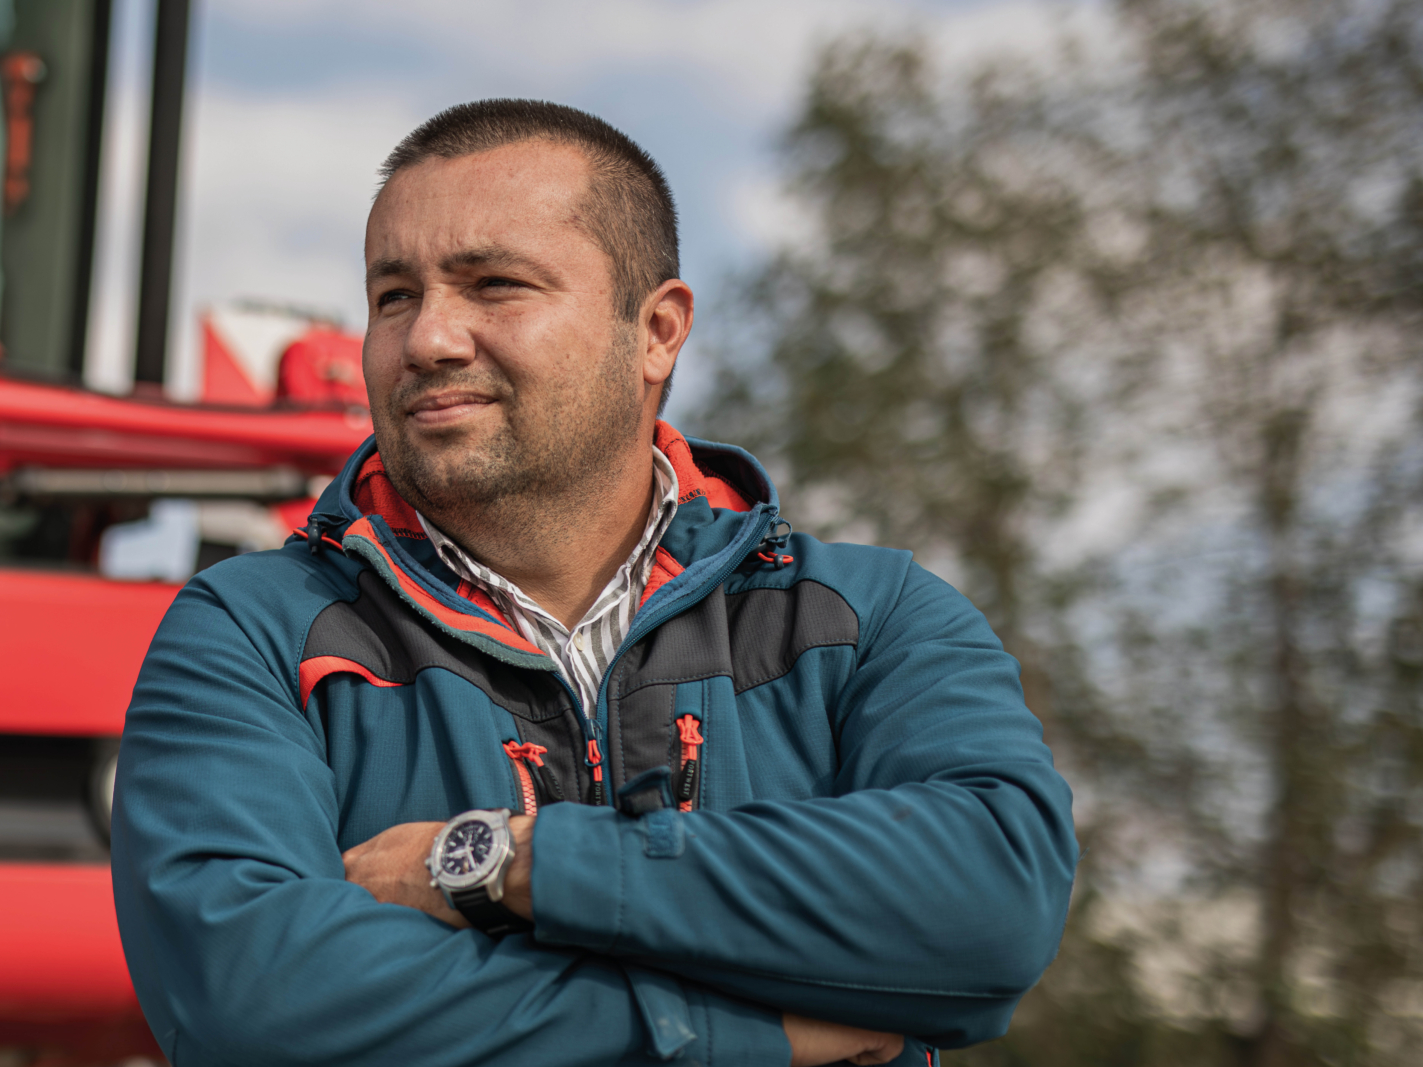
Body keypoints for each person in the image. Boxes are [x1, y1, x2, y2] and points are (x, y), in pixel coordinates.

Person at [108, 99, 1077, 1067]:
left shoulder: (869, 616)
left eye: (494, 283)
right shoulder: (249, 632)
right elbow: (257, 1002)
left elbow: (991, 909)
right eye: (393, 294)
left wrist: (506, 863)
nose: (428, 338)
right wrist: (739, 1032)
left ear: (655, 331)